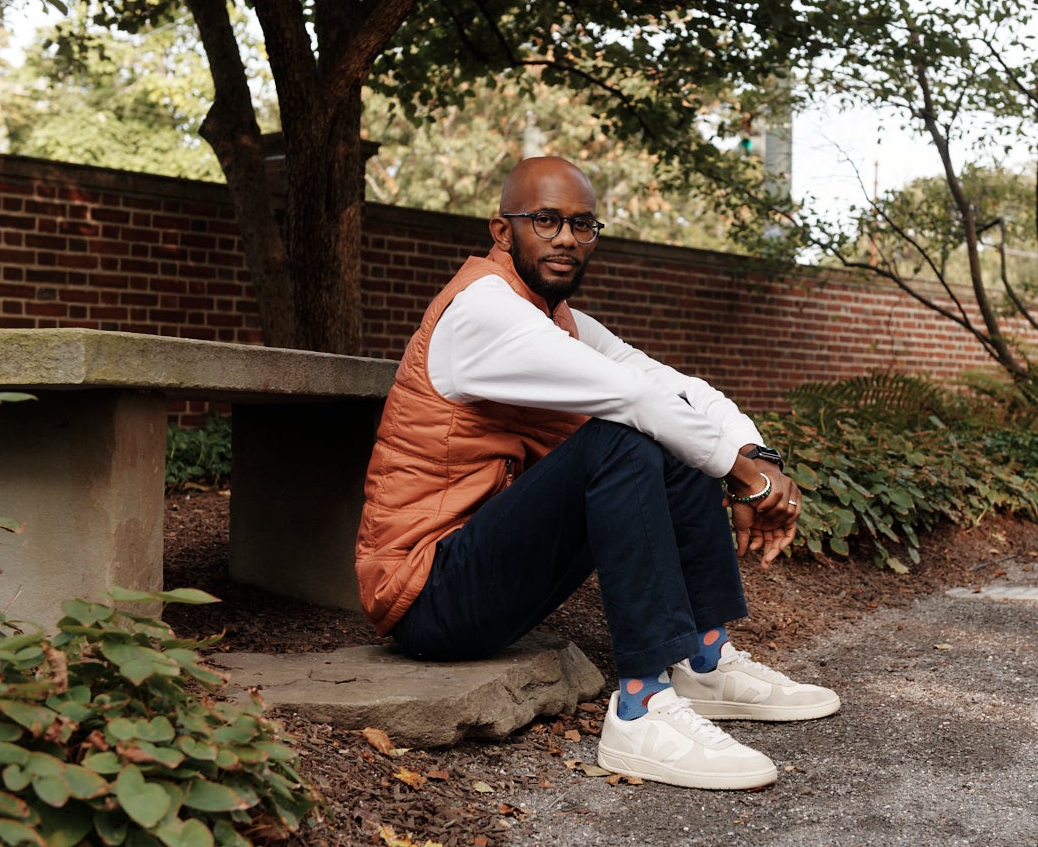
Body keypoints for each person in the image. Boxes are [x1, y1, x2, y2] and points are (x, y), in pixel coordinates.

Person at [357, 155, 838, 790]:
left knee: (664, 426)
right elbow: (635, 402)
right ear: (503, 232)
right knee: (627, 434)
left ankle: (703, 659)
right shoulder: (482, 311)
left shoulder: (557, 320)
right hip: (427, 594)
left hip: (488, 572)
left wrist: (761, 459)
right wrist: (743, 478)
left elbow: (673, 387)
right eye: (546, 220)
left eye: (583, 224)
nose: (566, 238)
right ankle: (639, 710)